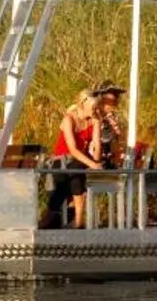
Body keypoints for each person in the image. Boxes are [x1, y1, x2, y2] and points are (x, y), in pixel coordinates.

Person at [51, 82, 124, 227]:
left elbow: (97, 145)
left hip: (79, 161)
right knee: (75, 169)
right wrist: (92, 164)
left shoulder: (95, 120)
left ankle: (77, 220)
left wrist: (96, 163)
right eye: (94, 107)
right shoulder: (69, 119)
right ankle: (76, 220)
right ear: (84, 104)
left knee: (77, 169)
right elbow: (72, 150)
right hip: (62, 160)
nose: (96, 110)